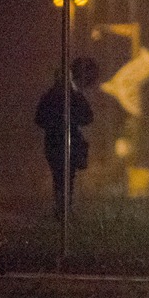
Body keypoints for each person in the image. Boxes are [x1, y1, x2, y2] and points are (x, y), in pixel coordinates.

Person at [35, 57, 99, 219]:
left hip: (57, 141)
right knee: (64, 176)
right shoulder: (66, 95)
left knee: (63, 176)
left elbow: (87, 116)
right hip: (60, 140)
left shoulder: (55, 95)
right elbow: (87, 116)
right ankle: (63, 209)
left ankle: (62, 208)